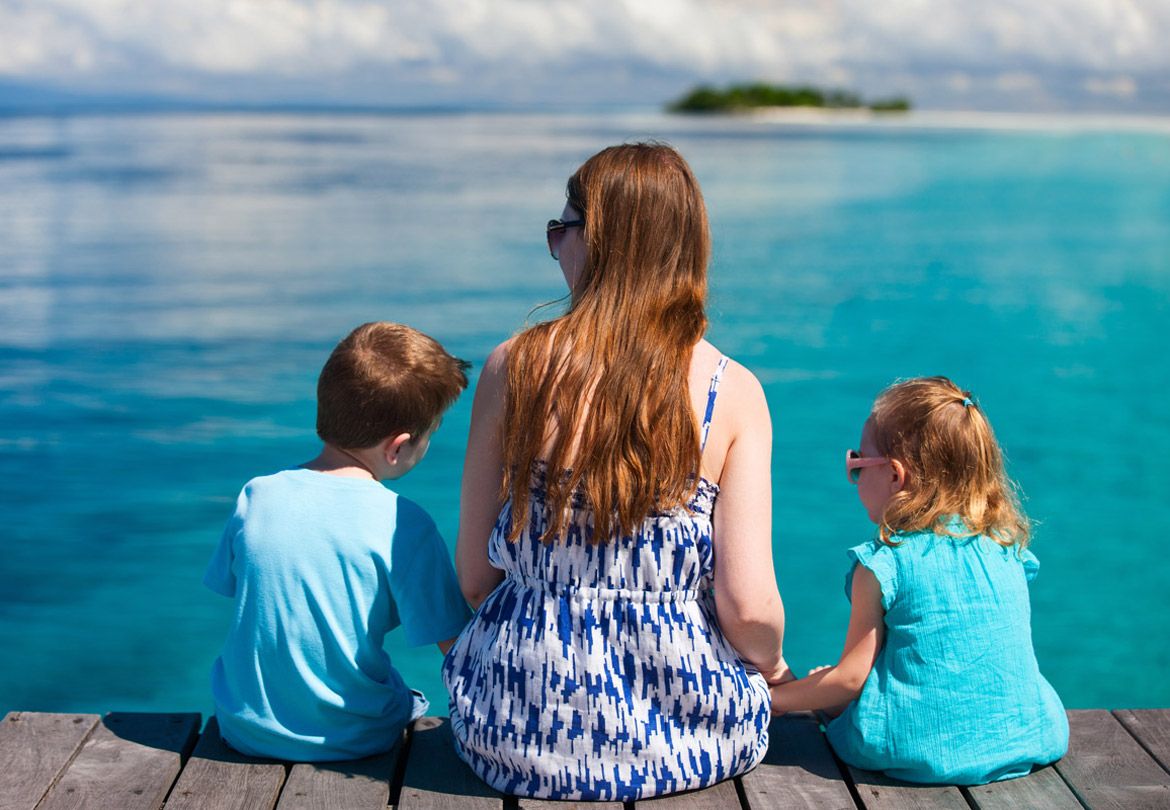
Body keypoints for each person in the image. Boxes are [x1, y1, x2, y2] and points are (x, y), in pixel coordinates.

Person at [443, 143, 791, 801]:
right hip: (685, 740)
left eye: (561, 230)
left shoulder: (511, 369)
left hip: (513, 734)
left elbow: (473, 578)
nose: (555, 247)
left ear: (595, 242)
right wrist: (770, 663)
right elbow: (748, 607)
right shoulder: (731, 390)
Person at [771, 376, 1068, 784]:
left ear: (895, 476)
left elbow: (852, 677)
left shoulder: (882, 565)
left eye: (857, 464)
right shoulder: (1007, 551)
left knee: (838, 690)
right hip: (1028, 737)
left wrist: (776, 698)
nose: (854, 477)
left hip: (912, 748)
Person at [204, 322, 472, 761]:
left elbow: (238, 591)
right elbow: (455, 647)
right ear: (398, 447)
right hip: (354, 739)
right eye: (431, 434)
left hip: (244, 728)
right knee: (406, 697)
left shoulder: (257, 495)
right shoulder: (404, 522)